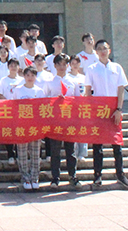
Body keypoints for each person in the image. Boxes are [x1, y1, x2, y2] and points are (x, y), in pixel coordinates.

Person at [84, 39, 128, 189]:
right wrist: (90, 110)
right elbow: (88, 91)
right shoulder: (91, 69)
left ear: (109, 50)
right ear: (96, 52)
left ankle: (120, 175)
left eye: (104, 48)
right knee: (97, 144)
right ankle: (97, 176)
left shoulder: (117, 68)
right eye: (99, 49)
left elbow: (121, 89)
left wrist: (119, 109)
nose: (102, 51)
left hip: (113, 109)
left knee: (116, 144)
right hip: (98, 110)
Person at [44, 53, 79, 188]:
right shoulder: (50, 82)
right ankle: (55, 177)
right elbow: (44, 101)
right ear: (54, 65)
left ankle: (72, 176)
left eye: (64, 64)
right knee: (55, 151)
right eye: (59, 64)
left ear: (68, 65)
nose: (62, 67)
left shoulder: (73, 81)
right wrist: (55, 101)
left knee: (71, 150)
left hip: (69, 120)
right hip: (55, 120)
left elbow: (78, 100)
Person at [11, 66, 46, 190]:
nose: (30, 78)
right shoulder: (18, 90)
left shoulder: (40, 91)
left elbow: (42, 109)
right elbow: (13, 107)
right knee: (22, 153)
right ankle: (25, 178)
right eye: (27, 75)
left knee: (35, 153)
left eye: (32, 75)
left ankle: (35, 177)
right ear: (24, 76)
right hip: (22, 126)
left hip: (35, 127)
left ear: (36, 77)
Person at [68, 55, 89, 161]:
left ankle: (82, 153)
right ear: (69, 65)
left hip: (82, 106)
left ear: (80, 64)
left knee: (83, 129)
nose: (75, 65)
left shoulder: (83, 77)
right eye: (73, 63)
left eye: (77, 63)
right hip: (71, 107)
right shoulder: (67, 77)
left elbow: (88, 91)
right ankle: (74, 152)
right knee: (73, 129)